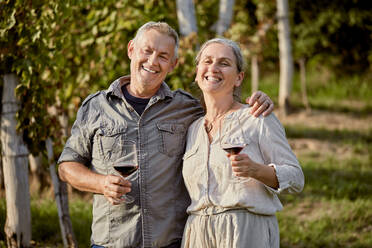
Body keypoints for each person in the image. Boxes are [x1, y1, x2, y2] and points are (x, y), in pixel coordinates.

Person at [57, 22, 274, 248]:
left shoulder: (187, 108)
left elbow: (223, 106)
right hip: (111, 241)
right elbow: (67, 166)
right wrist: (100, 183)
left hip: (170, 242)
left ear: (173, 64)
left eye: (163, 56)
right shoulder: (96, 107)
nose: (152, 61)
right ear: (131, 49)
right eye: (147, 51)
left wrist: (257, 102)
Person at [181, 38, 305, 248]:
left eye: (224, 63)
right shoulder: (192, 128)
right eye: (207, 61)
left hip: (244, 230)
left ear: (239, 78)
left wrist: (256, 170)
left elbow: (296, 177)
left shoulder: (257, 116)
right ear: (197, 71)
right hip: (197, 232)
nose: (213, 68)